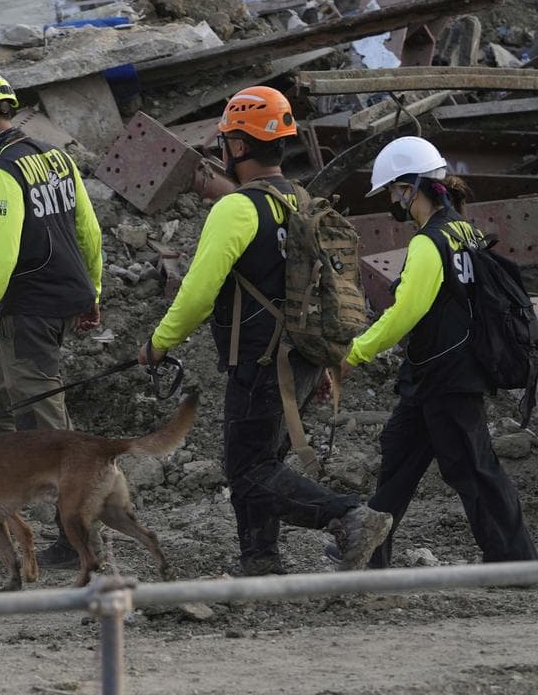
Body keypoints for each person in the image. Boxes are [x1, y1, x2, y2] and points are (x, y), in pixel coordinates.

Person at [137, 87, 392, 575]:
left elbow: (196, 294)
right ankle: (260, 559)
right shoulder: (302, 201)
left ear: (237, 147)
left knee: (250, 473)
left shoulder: (236, 209)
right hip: (301, 357)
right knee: (263, 461)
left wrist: (158, 344)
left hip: (258, 360)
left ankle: (349, 517)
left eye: (225, 143)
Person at [340, 135, 537, 568]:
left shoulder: (429, 242)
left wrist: (355, 353)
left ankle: (513, 559)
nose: (393, 199)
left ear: (413, 187)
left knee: (472, 467)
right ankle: (371, 556)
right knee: (398, 461)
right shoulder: (462, 230)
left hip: (448, 376)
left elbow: (404, 312)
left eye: (394, 190)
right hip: (434, 375)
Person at [0, 70, 104, 567]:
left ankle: (78, 535)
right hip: (54, 301)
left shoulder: (1, 172)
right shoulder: (55, 157)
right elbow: (89, 230)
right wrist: (91, 291)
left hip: (29, 309)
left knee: (46, 422)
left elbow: (3, 254)